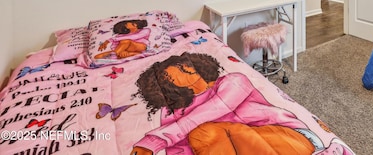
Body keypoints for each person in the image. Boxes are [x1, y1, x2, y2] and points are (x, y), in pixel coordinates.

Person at [131, 52, 352, 155]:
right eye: (170, 76)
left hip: (289, 139)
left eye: (180, 65)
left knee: (204, 132)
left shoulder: (233, 81)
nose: (183, 69)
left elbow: (216, 108)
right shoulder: (172, 113)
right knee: (203, 136)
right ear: (168, 85)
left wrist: (155, 140)